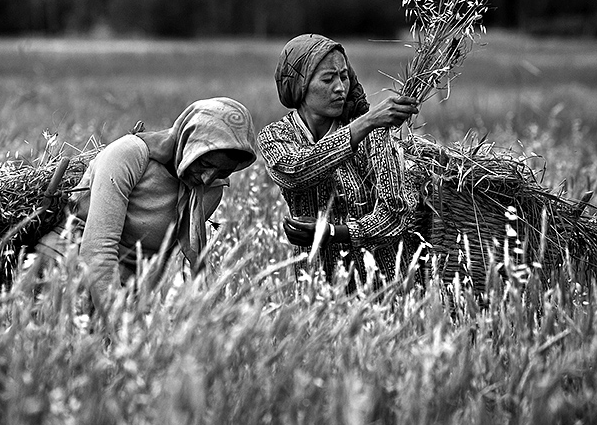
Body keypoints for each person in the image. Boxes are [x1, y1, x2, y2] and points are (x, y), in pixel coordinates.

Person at [37, 97, 257, 311]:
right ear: (189, 143)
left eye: (223, 171)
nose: (208, 178)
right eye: (205, 163)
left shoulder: (211, 190)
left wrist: (141, 308)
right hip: (65, 268)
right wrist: (115, 319)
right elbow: (97, 248)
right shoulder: (128, 156)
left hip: (127, 284)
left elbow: (164, 257)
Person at [257, 34, 421, 288]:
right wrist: (364, 123)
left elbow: (397, 213)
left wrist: (334, 233)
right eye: (327, 79)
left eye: (344, 76)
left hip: (384, 287)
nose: (340, 88)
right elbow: (296, 172)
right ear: (299, 86)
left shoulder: (375, 135)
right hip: (318, 287)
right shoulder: (275, 137)